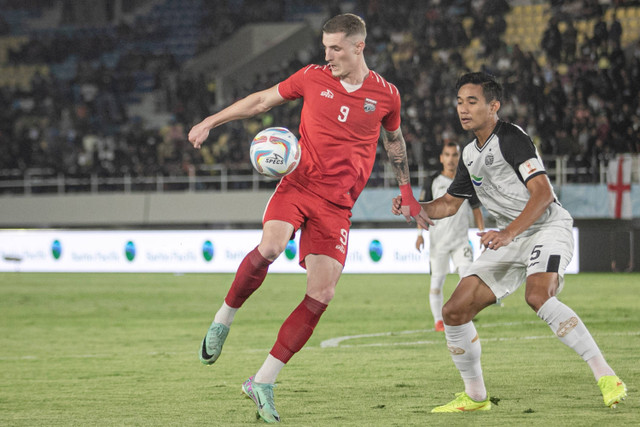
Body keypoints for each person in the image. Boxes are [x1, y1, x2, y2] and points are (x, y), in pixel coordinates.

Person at [188, 13, 431, 423]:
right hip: (298, 186)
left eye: (336, 48)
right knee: (271, 246)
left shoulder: (387, 95)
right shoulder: (312, 77)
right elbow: (261, 100)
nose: (328, 56)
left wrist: (406, 191)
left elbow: (394, 140)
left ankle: (262, 381)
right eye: (325, 48)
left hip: (337, 207)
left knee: (322, 294)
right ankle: (223, 319)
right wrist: (211, 121)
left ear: (359, 47)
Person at [392, 72, 627, 412]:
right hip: (509, 237)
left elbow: (543, 194)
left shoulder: (511, 137)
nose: (463, 109)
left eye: (472, 101)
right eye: (459, 102)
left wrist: (508, 233)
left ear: (494, 106)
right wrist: (415, 207)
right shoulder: (469, 154)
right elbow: (448, 204)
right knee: (454, 311)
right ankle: (475, 396)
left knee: (537, 295)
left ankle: (607, 376)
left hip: (545, 228)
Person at [415, 141, 484, 332]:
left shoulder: (466, 180)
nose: (451, 159)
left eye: (454, 155)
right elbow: (421, 207)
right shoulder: (433, 181)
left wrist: (482, 233)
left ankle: (463, 317)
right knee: (436, 282)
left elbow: (476, 209)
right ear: (441, 158)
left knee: (467, 277)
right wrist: (419, 234)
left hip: (461, 240)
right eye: (447, 155)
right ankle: (439, 321)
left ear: (459, 157)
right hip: (439, 243)